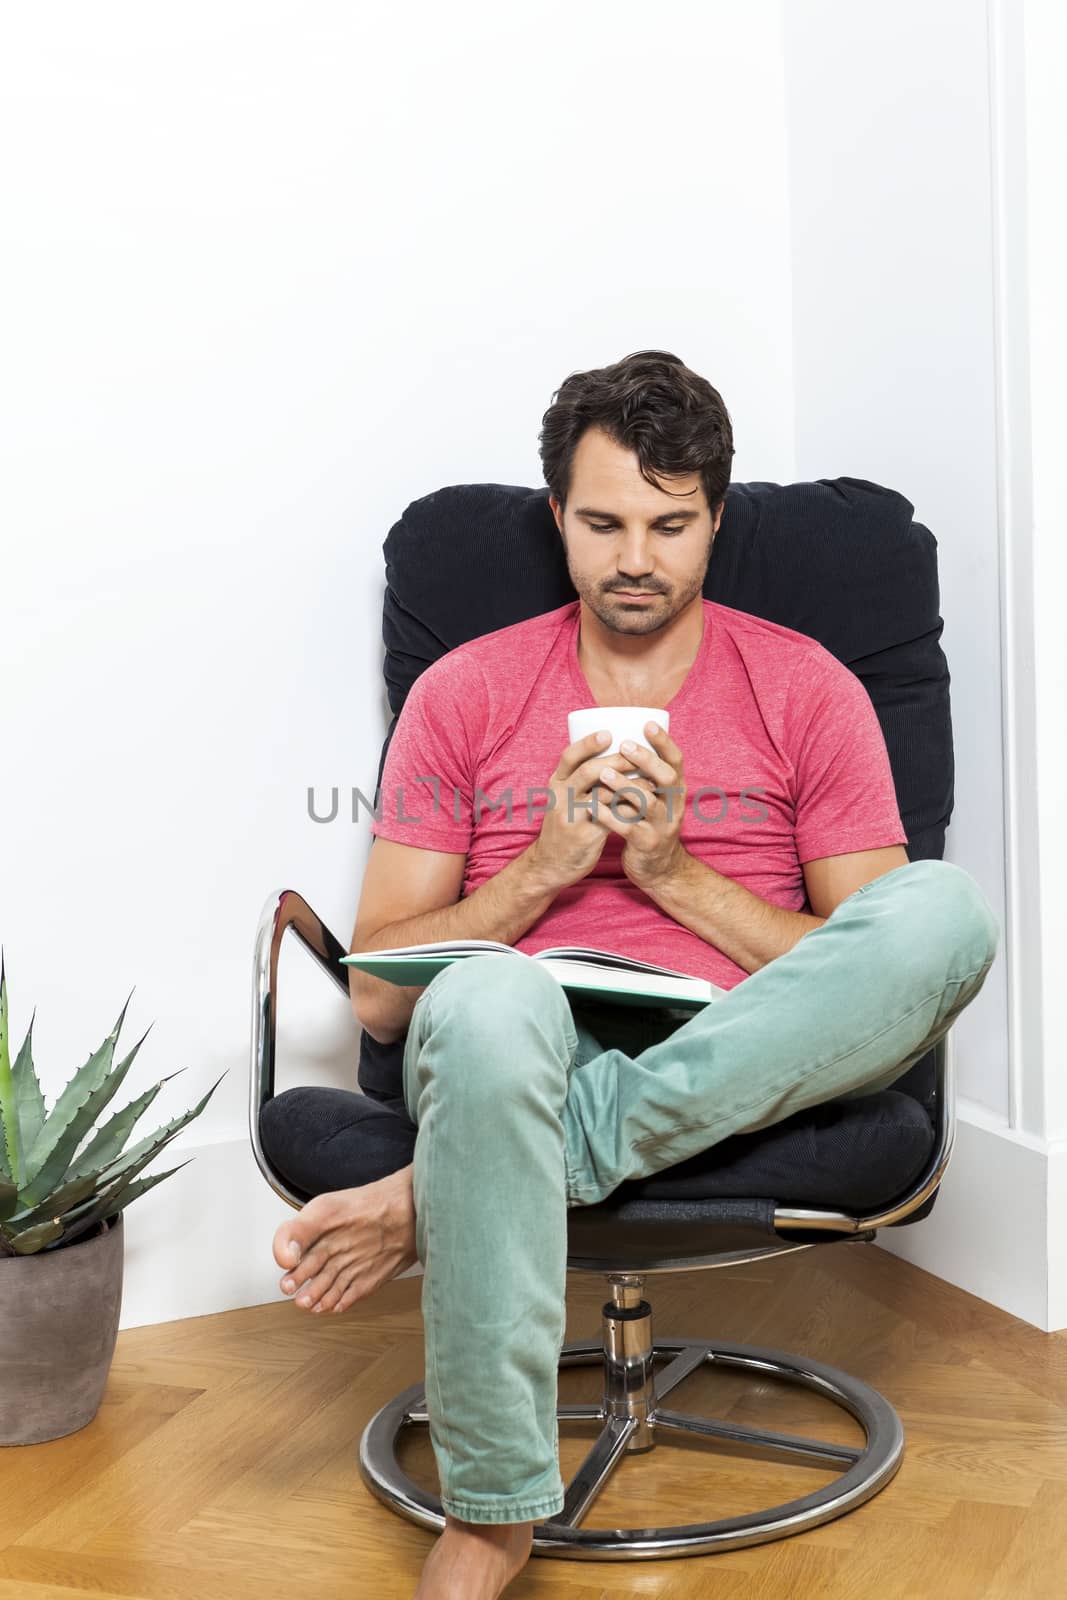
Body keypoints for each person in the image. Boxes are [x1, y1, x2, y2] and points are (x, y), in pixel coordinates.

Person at [272, 350, 1000, 1600]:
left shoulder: (805, 689)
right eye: (602, 521)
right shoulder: (465, 693)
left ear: (716, 517)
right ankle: (491, 1514)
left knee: (940, 911)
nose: (634, 559)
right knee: (491, 997)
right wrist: (544, 871)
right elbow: (385, 995)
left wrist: (672, 874)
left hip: (741, 1051)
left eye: (670, 524)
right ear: (555, 515)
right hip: (518, 1034)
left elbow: (868, 964)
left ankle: (426, 1193)